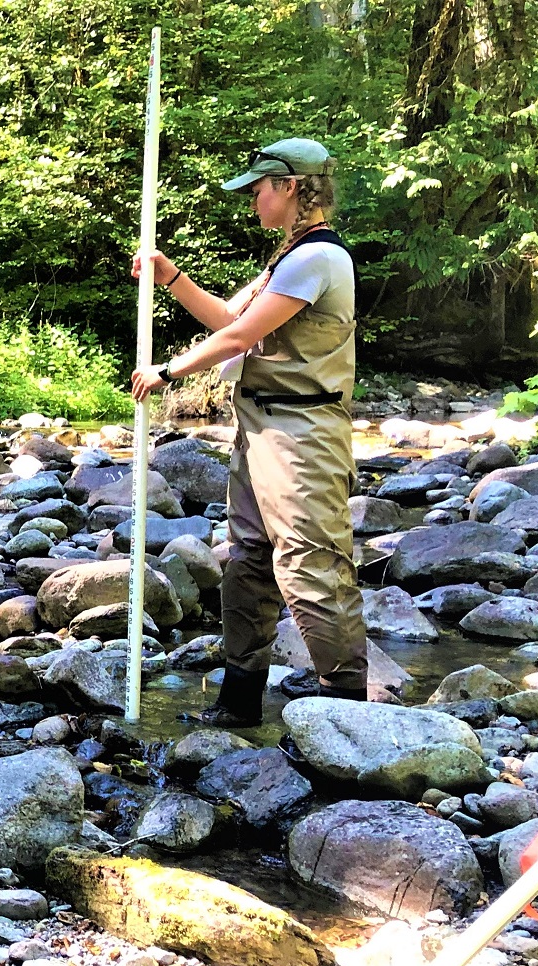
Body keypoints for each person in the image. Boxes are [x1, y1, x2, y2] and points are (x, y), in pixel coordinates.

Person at [129, 137, 368, 726]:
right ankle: (240, 702)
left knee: (309, 562)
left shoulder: (319, 259)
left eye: (259, 190)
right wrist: (171, 277)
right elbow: (232, 320)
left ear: (290, 188)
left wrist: (166, 372)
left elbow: (237, 340)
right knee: (248, 561)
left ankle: (351, 712)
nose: (253, 201)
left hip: (303, 432)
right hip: (261, 425)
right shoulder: (289, 257)